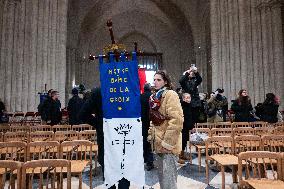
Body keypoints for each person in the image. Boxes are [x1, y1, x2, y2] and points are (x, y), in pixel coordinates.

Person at [78, 88, 130, 189]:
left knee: (110, 175)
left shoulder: (98, 92)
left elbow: (82, 114)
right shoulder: (127, 91)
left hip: (107, 140)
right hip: (123, 138)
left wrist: (99, 124)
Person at [148, 70, 183, 189]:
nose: (155, 82)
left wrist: (167, 143)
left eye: (159, 80)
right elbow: (154, 119)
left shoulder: (170, 94)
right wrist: (150, 136)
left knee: (169, 182)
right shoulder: (154, 96)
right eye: (154, 79)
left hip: (168, 145)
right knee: (162, 179)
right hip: (157, 143)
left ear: (165, 81)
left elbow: (176, 121)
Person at [140, 83, 154, 171]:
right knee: (150, 142)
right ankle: (150, 161)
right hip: (151, 122)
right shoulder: (152, 97)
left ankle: (145, 159)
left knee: (144, 141)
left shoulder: (140, 97)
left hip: (141, 123)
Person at [179, 93, 193, 164]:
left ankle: (182, 154)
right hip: (182, 127)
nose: (188, 99)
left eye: (189, 97)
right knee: (181, 142)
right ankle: (179, 156)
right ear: (183, 99)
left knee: (184, 142)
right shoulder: (182, 106)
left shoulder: (189, 105)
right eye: (186, 98)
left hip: (187, 127)